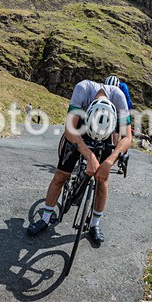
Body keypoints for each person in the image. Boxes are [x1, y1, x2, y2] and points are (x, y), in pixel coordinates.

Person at [27, 79, 132, 244]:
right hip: (80, 129)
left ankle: (94, 224)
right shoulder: (82, 89)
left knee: (102, 180)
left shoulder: (119, 97)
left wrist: (108, 162)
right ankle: (45, 218)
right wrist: (90, 156)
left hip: (106, 132)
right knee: (61, 176)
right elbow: (70, 130)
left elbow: (127, 137)